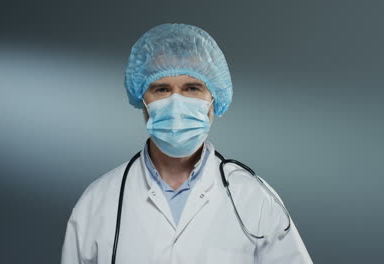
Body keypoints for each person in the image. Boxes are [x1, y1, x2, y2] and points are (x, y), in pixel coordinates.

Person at [60, 23, 313, 264]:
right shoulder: (99, 201)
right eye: (161, 89)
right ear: (141, 99)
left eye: (192, 88)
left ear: (215, 99)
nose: (176, 103)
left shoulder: (254, 198)